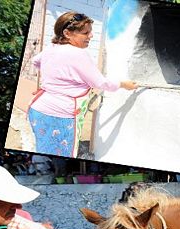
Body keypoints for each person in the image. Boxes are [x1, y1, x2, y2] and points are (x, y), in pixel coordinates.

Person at [28, 12, 138, 157]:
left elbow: (35, 61)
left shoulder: (52, 48)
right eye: (86, 33)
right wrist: (124, 84)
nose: (91, 36)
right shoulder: (78, 54)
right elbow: (100, 82)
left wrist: (51, 81)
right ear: (67, 33)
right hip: (60, 116)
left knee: (44, 148)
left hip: (37, 109)